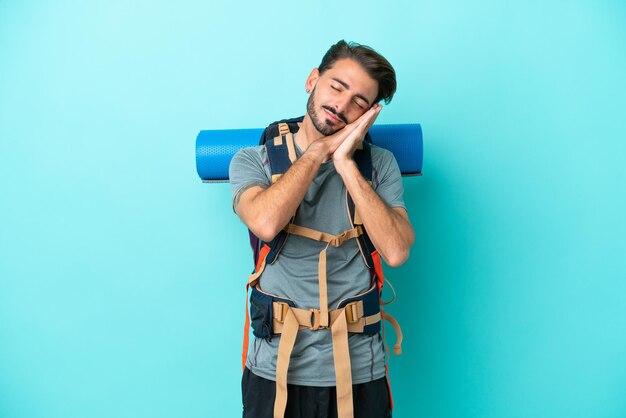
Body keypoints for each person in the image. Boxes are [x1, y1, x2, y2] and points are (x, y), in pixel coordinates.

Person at [229, 40, 415, 418]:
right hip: (275, 371)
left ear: (370, 113)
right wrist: (317, 151)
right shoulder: (253, 160)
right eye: (337, 86)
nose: (342, 105)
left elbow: (396, 251)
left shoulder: (380, 165)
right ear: (313, 80)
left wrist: (345, 162)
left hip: (359, 370)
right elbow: (265, 222)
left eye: (360, 101)